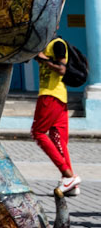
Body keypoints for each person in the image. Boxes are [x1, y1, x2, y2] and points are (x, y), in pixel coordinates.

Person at [33, 37, 79, 194]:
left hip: (51, 95)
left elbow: (61, 69)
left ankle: (68, 174)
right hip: (58, 97)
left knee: (38, 132)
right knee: (58, 138)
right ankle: (71, 183)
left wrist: (42, 58)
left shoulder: (57, 44)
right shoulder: (43, 45)